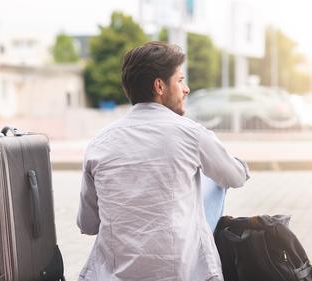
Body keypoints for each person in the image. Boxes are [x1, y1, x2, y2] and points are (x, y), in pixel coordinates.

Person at [77, 41, 250, 281]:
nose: (186, 89)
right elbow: (236, 177)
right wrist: (236, 164)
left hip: (111, 275)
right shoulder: (191, 134)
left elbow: (87, 224)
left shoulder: (99, 143)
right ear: (159, 86)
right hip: (182, 272)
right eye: (180, 80)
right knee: (217, 179)